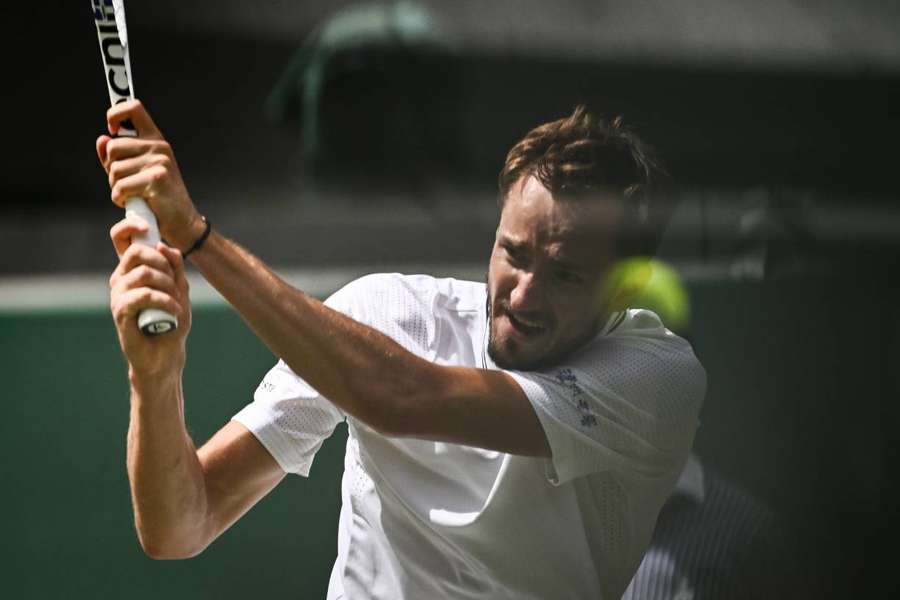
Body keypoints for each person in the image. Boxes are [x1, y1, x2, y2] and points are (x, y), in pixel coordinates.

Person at [98, 99, 706, 599]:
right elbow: (181, 526)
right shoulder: (384, 315)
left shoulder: (656, 378)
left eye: (565, 275)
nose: (523, 295)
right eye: (512, 253)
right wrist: (155, 376)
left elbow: (401, 398)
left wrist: (197, 240)